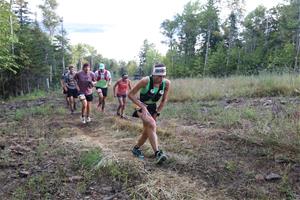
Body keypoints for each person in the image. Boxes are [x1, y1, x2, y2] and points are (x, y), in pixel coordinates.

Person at [128, 63, 171, 164]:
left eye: (163, 76)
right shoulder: (145, 81)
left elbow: (164, 100)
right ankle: (157, 153)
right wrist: (142, 107)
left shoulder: (167, 83)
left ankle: (136, 149)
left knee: (147, 131)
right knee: (152, 124)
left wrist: (157, 112)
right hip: (140, 105)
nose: (161, 79)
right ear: (153, 74)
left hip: (153, 107)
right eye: (159, 76)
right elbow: (130, 94)